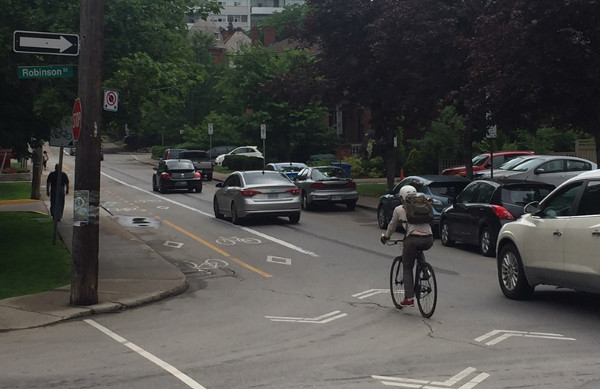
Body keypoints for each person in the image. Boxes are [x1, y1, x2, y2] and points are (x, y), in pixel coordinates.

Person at [381, 185, 434, 307]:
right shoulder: (423, 205)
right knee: (419, 249)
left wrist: (386, 236)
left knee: (407, 267)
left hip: (412, 239)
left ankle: (409, 298)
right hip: (429, 239)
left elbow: (392, 226)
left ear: (401, 197)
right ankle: (425, 271)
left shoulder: (399, 209)